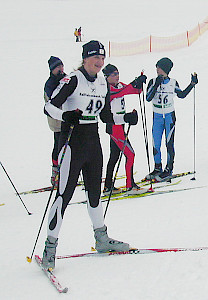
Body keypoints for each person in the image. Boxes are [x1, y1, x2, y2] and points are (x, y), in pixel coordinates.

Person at [42, 40, 139, 270]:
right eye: (95, 57)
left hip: (93, 141)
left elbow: (106, 117)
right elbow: (49, 107)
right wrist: (66, 116)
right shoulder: (73, 79)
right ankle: (50, 247)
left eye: (102, 58)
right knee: (63, 195)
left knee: (95, 193)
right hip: (72, 142)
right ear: (85, 58)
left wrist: (126, 119)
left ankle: (101, 239)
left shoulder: (103, 83)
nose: (99, 62)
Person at [145, 57, 198, 181]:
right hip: (157, 116)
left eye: (159, 67)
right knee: (155, 143)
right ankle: (157, 167)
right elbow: (148, 98)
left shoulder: (173, 82)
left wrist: (192, 84)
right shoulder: (153, 81)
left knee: (169, 143)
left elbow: (182, 95)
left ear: (165, 69)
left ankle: (169, 169)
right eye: (156, 67)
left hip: (169, 116)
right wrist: (157, 84)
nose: (157, 69)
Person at [102, 63, 147, 195]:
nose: (117, 76)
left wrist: (139, 85)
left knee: (114, 157)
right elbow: (121, 92)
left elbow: (134, 90)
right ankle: (130, 185)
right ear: (106, 77)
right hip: (114, 127)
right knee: (130, 154)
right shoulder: (107, 89)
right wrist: (134, 83)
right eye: (114, 74)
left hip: (120, 125)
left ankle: (108, 186)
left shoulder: (120, 85)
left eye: (118, 73)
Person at [44, 56, 66, 186]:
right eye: (58, 67)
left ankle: (66, 171)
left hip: (66, 118)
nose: (61, 69)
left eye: (61, 66)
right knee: (58, 145)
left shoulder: (65, 78)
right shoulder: (50, 83)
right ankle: (56, 174)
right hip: (56, 120)